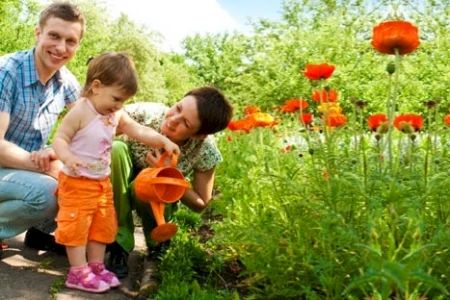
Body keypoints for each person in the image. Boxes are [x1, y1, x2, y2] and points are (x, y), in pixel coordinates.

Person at [52, 52, 180, 293]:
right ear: (97, 86)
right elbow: (60, 139)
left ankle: (96, 266)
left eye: (123, 101)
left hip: (101, 183)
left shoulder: (115, 114)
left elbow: (137, 129)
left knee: (102, 225)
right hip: (77, 182)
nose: (120, 105)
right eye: (117, 98)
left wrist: (163, 140)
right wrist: (68, 157)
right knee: (77, 226)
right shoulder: (80, 112)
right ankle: (77, 272)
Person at [106, 86, 234, 278]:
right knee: (115, 149)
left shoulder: (205, 150)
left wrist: (170, 175)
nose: (173, 119)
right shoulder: (146, 114)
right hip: (120, 186)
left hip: (156, 201)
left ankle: (157, 243)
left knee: (153, 183)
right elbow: (96, 125)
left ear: (199, 135)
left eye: (186, 123)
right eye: (178, 107)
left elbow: (200, 204)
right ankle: (119, 241)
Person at [0, 2, 85, 259]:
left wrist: (57, 153)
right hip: (7, 166)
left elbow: (94, 122)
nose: (61, 48)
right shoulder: (7, 72)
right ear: (38, 33)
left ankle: (42, 231)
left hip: (22, 171)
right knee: (48, 193)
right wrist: (46, 164)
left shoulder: (65, 81)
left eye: (70, 41)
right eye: (54, 36)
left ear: (77, 46)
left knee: (84, 180)